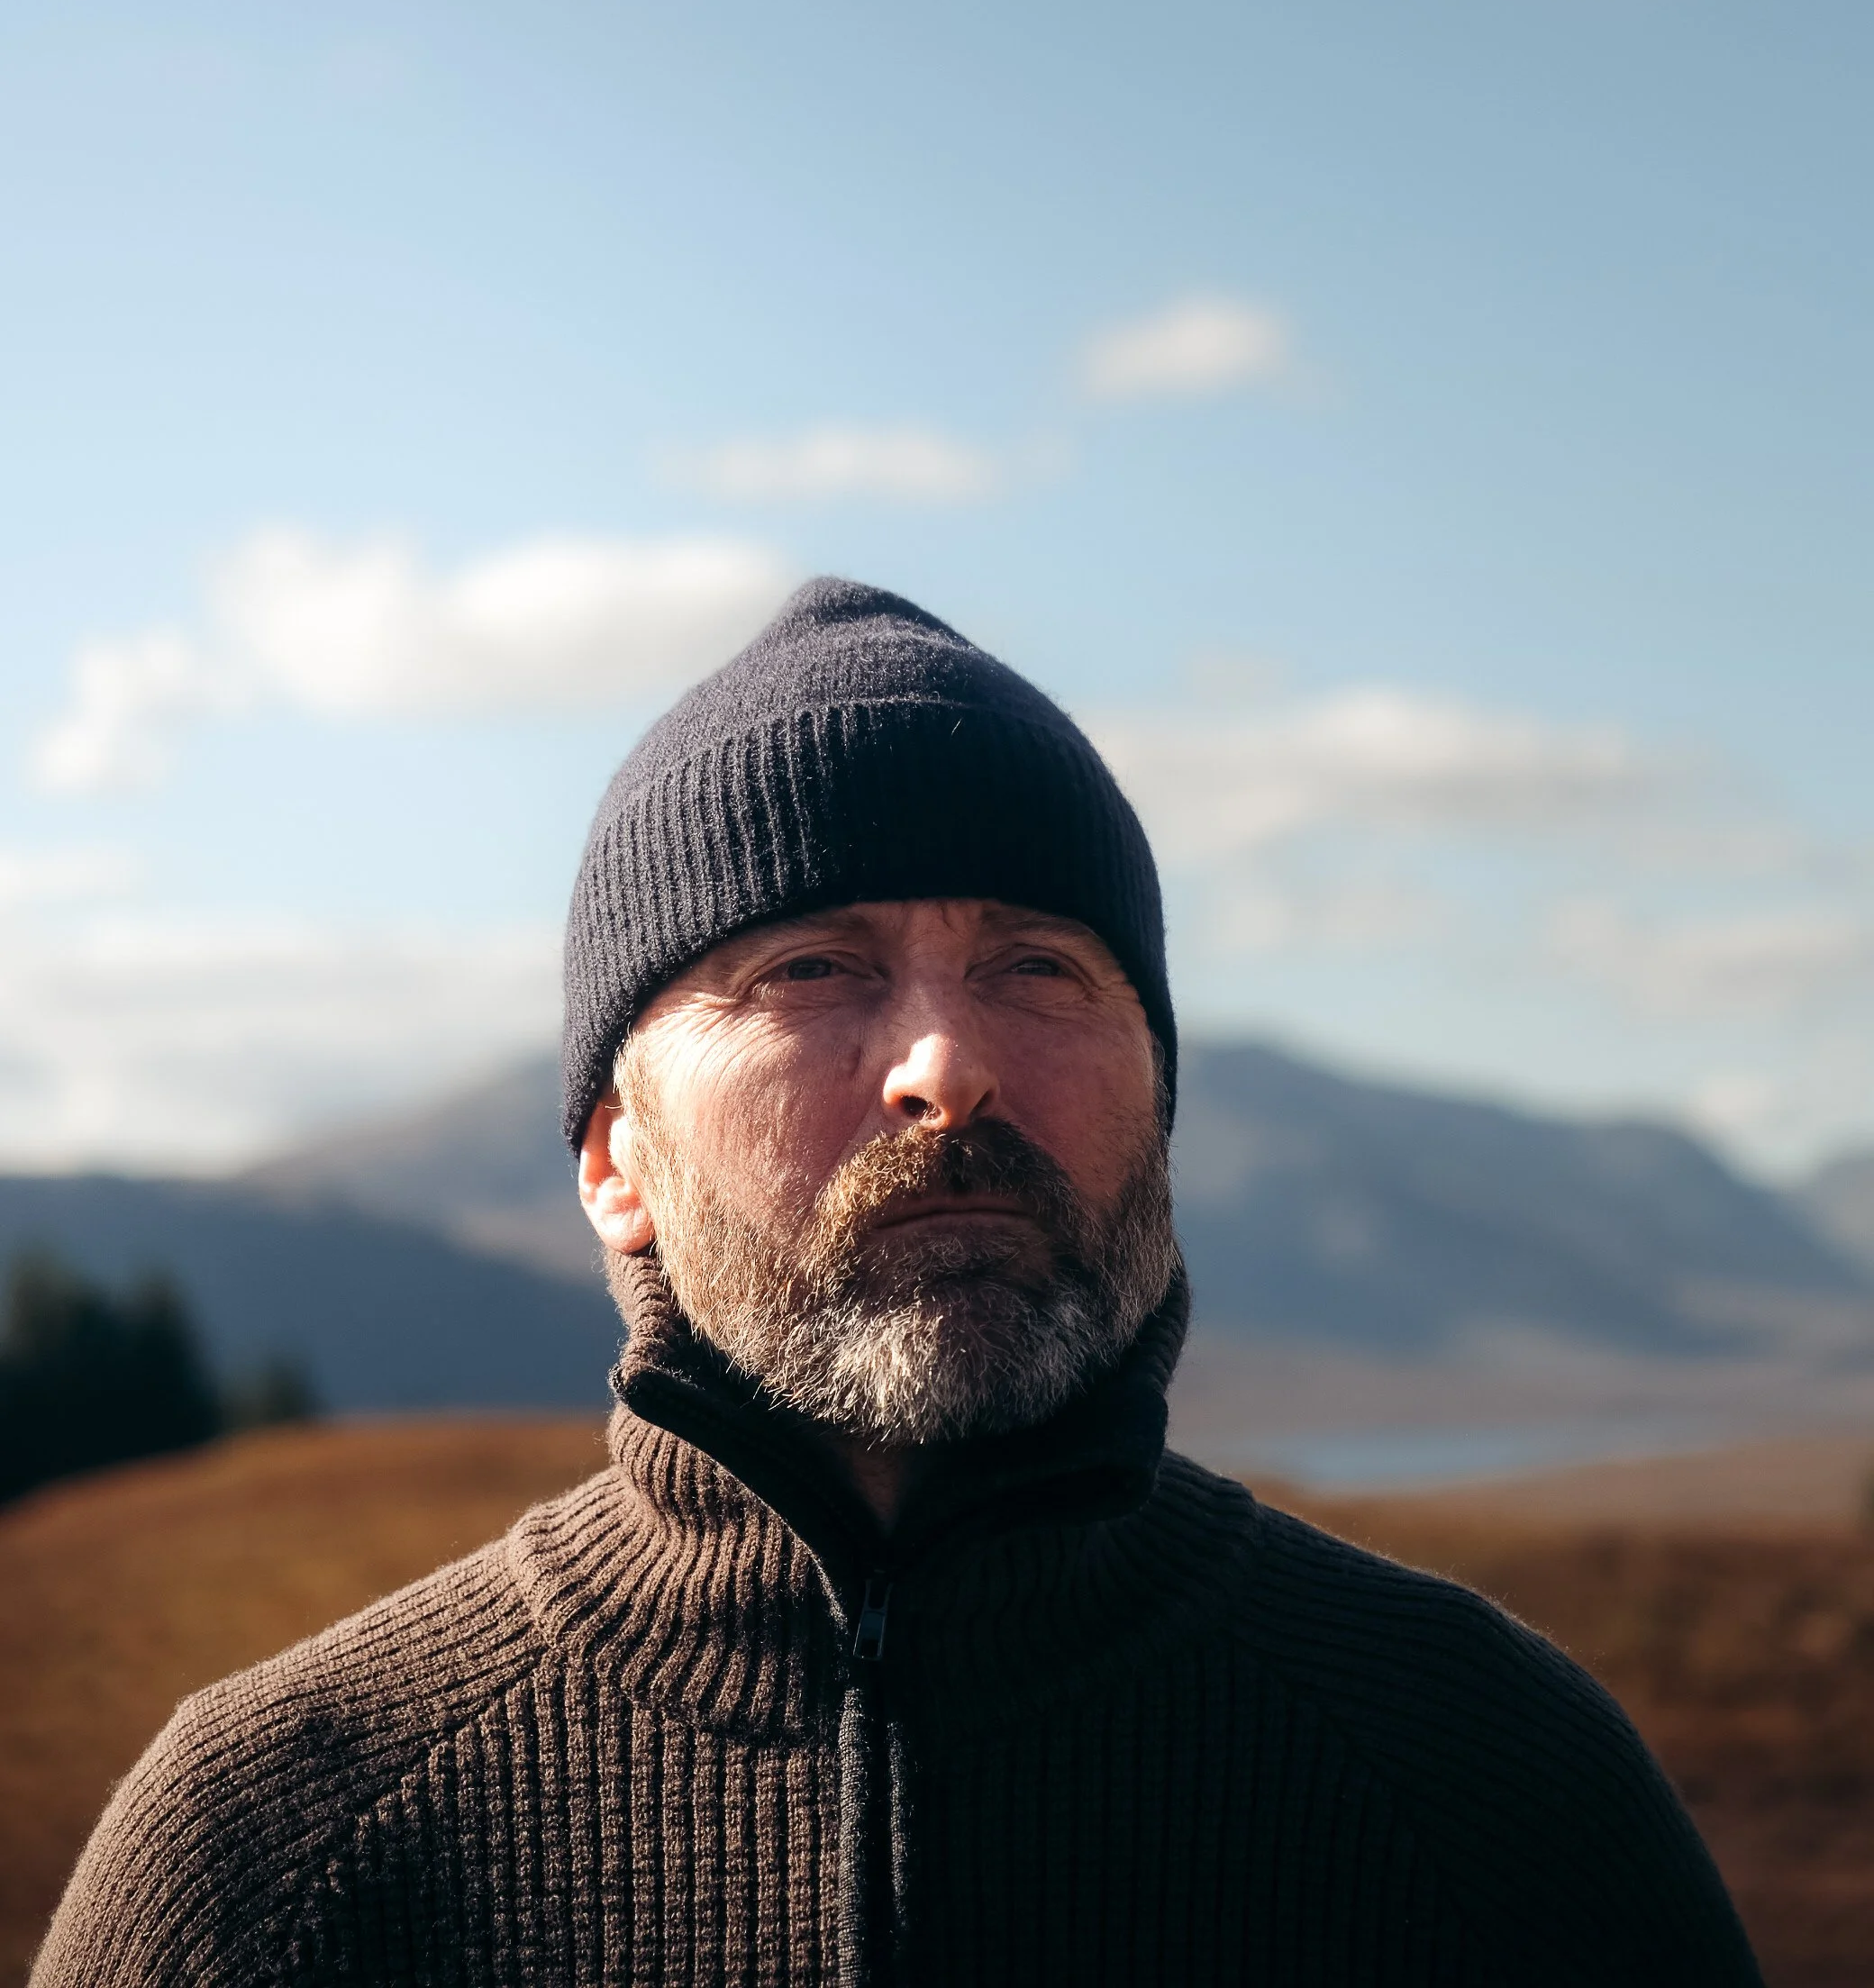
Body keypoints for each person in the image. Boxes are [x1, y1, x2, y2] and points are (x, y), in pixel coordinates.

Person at [35, 578, 1761, 1986]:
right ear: (611, 1159)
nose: (950, 1063)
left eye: (1039, 964)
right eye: (809, 966)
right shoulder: (277, 1853)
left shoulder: (1491, 1785)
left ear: (1157, 1091)